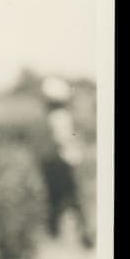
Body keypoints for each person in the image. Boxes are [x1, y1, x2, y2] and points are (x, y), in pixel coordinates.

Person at [36, 77, 94, 249]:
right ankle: (84, 236)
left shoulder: (51, 117)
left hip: (54, 162)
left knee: (57, 200)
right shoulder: (61, 117)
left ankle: (56, 234)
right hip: (64, 162)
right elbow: (64, 140)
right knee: (74, 199)